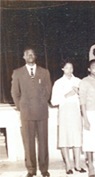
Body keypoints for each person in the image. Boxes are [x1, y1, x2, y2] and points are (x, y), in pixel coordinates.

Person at [11, 48, 51, 177]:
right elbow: (15, 93)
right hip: (26, 113)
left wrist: (40, 103)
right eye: (27, 54)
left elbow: (48, 90)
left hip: (41, 112)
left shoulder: (44, 72)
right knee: (28, 143)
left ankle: (44, 169)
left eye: (32, 54)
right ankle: (31, 170)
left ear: (35, 56)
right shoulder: (17, 73)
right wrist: (21, 107)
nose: (30, 56)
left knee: (43, 142)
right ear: (23, 56)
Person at [51, 60, 86, 175]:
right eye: (67, 68)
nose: (69, 70)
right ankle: (68, 165)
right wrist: (67, 95)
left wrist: (80, 93)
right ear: (62, 69)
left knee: (77, 138)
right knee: (64, 138)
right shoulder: (58, 83)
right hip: (64, 111)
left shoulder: (79, 81)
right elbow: (53, 101)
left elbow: (85, 98)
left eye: (71, 68)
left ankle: (77, 165)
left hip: (76, 111)